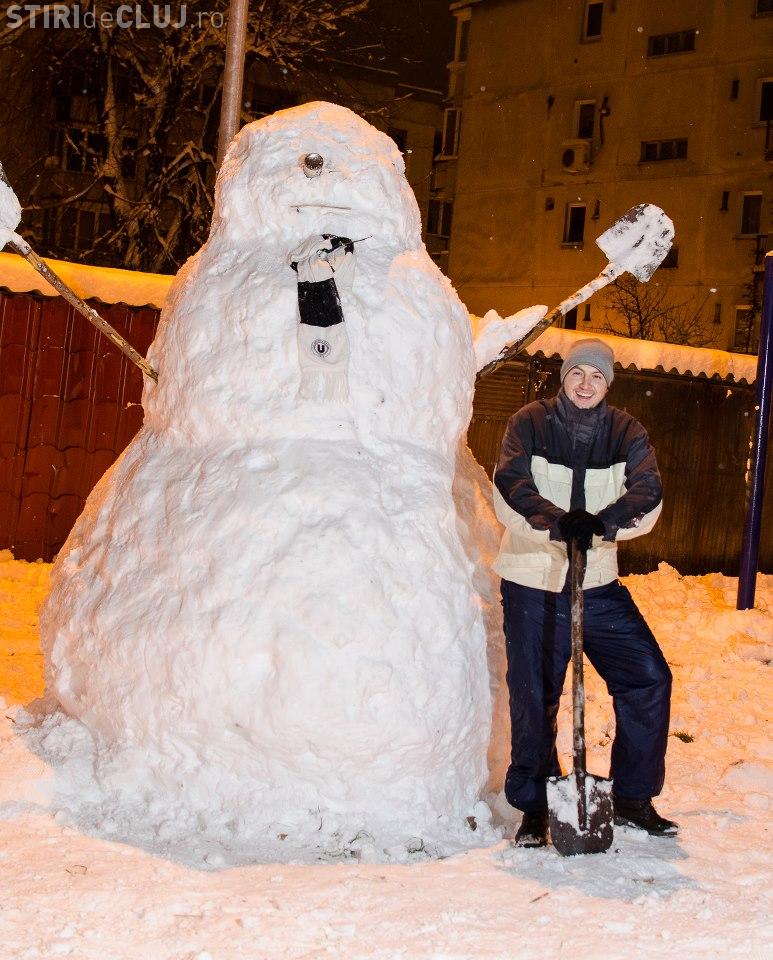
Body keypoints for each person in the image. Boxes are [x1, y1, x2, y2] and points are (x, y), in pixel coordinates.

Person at [492, 338, 677, 848]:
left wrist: (602, 522)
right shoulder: (529, 422)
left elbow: (648, 491)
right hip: (534, 583)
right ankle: (535, 807)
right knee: (535, 694)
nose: (586, 383)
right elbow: (510, 486)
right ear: (564, 377)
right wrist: (557, 523)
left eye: (597, 376)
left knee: (647, 677)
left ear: (608, 383)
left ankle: (633, 797)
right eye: (578, 373)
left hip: (596, 584)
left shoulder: (626, 431)